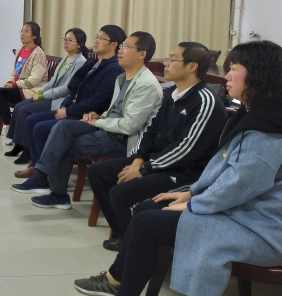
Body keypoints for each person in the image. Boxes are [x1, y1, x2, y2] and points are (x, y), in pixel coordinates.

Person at [75, 40, 282, 296]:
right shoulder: (253, 113)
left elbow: (241, 184)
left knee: (147, 221)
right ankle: (116, 278)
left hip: (258, 227)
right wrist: (191, 193)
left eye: (234, 68)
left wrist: (194, 204)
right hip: (239, 211)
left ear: (258, 75)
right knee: (148, 207)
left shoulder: (267, 130)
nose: (227, 76)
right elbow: (225, 171)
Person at [88, 42, 228, 251]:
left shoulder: (205, 101)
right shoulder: (171, 93)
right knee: (98, 172)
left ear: (192, 66)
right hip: (155, 162)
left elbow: (186, 149)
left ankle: (137, 245)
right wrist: (137, 162)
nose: (165, 63)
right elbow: (151, 130)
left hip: (184, 172)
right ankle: (126, 237)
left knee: (121, 192)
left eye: (172, 59)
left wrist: (144, 169)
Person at [12, 32, 163, 209]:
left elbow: (130, 125)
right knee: (63, 128)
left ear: (142, 54)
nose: (121, 50)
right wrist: (100, 116)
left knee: (64, 141)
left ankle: (51, 187)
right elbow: (115, 110)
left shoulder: (146, 84)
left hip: (123, 140)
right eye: (122, 46)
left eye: (126, 46)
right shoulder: (123, 77)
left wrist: (97, 122)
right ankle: (47, 182)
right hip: (108, 128)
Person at [11, 25, 125, 178]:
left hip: (86, 115)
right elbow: (73, 88)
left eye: (101, 38)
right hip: (71, 107)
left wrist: (68, 110)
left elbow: (98, 100)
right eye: (96, 37)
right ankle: (36, 164)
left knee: (38, 125)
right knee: (31, 119)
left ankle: (41, 171)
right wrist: (65, 106)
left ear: (114, 45)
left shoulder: (113, 68)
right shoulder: (92, 63)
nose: (96, 41)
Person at [3, 29, 88, 161]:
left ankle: (27, 150)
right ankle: (19, 144)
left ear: (79, 45)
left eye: (70, 40)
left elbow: (67, 88)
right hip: (50, 95)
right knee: (20, 106)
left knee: (25, 110)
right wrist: (40, 92)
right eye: (65, 39)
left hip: (60, 100)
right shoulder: (65, 58)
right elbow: (52, 81)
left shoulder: (80, 62)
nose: (65, 42)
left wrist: (44, 95)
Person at [0, 22, 48, 135]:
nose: (22, 34)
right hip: (20, 86)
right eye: (22, 31)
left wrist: (14, 85)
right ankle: (10, 125)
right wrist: (10, 81)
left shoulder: (38, 54)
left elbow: (34, 80)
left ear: (34, 36)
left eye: (26, 31)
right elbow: (15, 71)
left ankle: (10, 127)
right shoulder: (21, 49)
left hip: (31, 90)